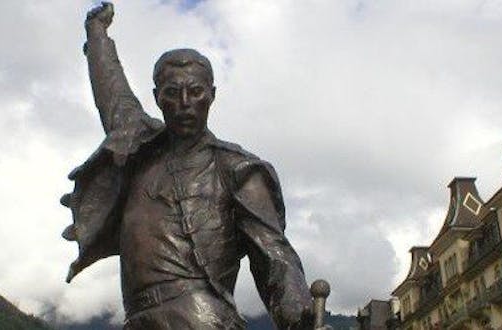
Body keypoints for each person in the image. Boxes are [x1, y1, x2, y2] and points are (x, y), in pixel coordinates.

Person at [61, 3, 314, 329]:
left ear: (211, 95)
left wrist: (297, 311)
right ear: (157, 98)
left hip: (199, 317)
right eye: (172, 93)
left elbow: (274, 255)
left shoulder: (236, 169)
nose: (184, 104)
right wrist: (97, 34)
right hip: (137, 319)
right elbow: (112, 94)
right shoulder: (140, 150)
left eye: (195, 92)